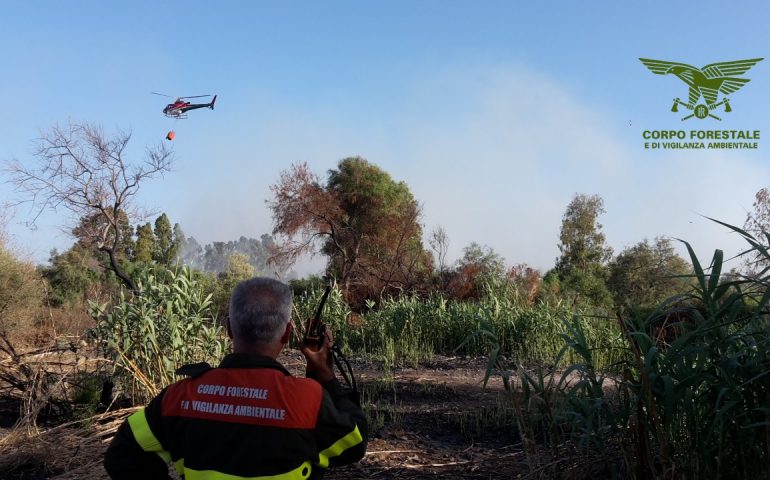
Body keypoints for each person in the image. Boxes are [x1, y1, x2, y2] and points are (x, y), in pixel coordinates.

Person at [104, 277, 367, 479]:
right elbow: (355, 443)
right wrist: (325, 374)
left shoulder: (179, 397)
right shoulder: (308, 399)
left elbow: (121, 455)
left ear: (228, 328)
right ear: (287, 334)